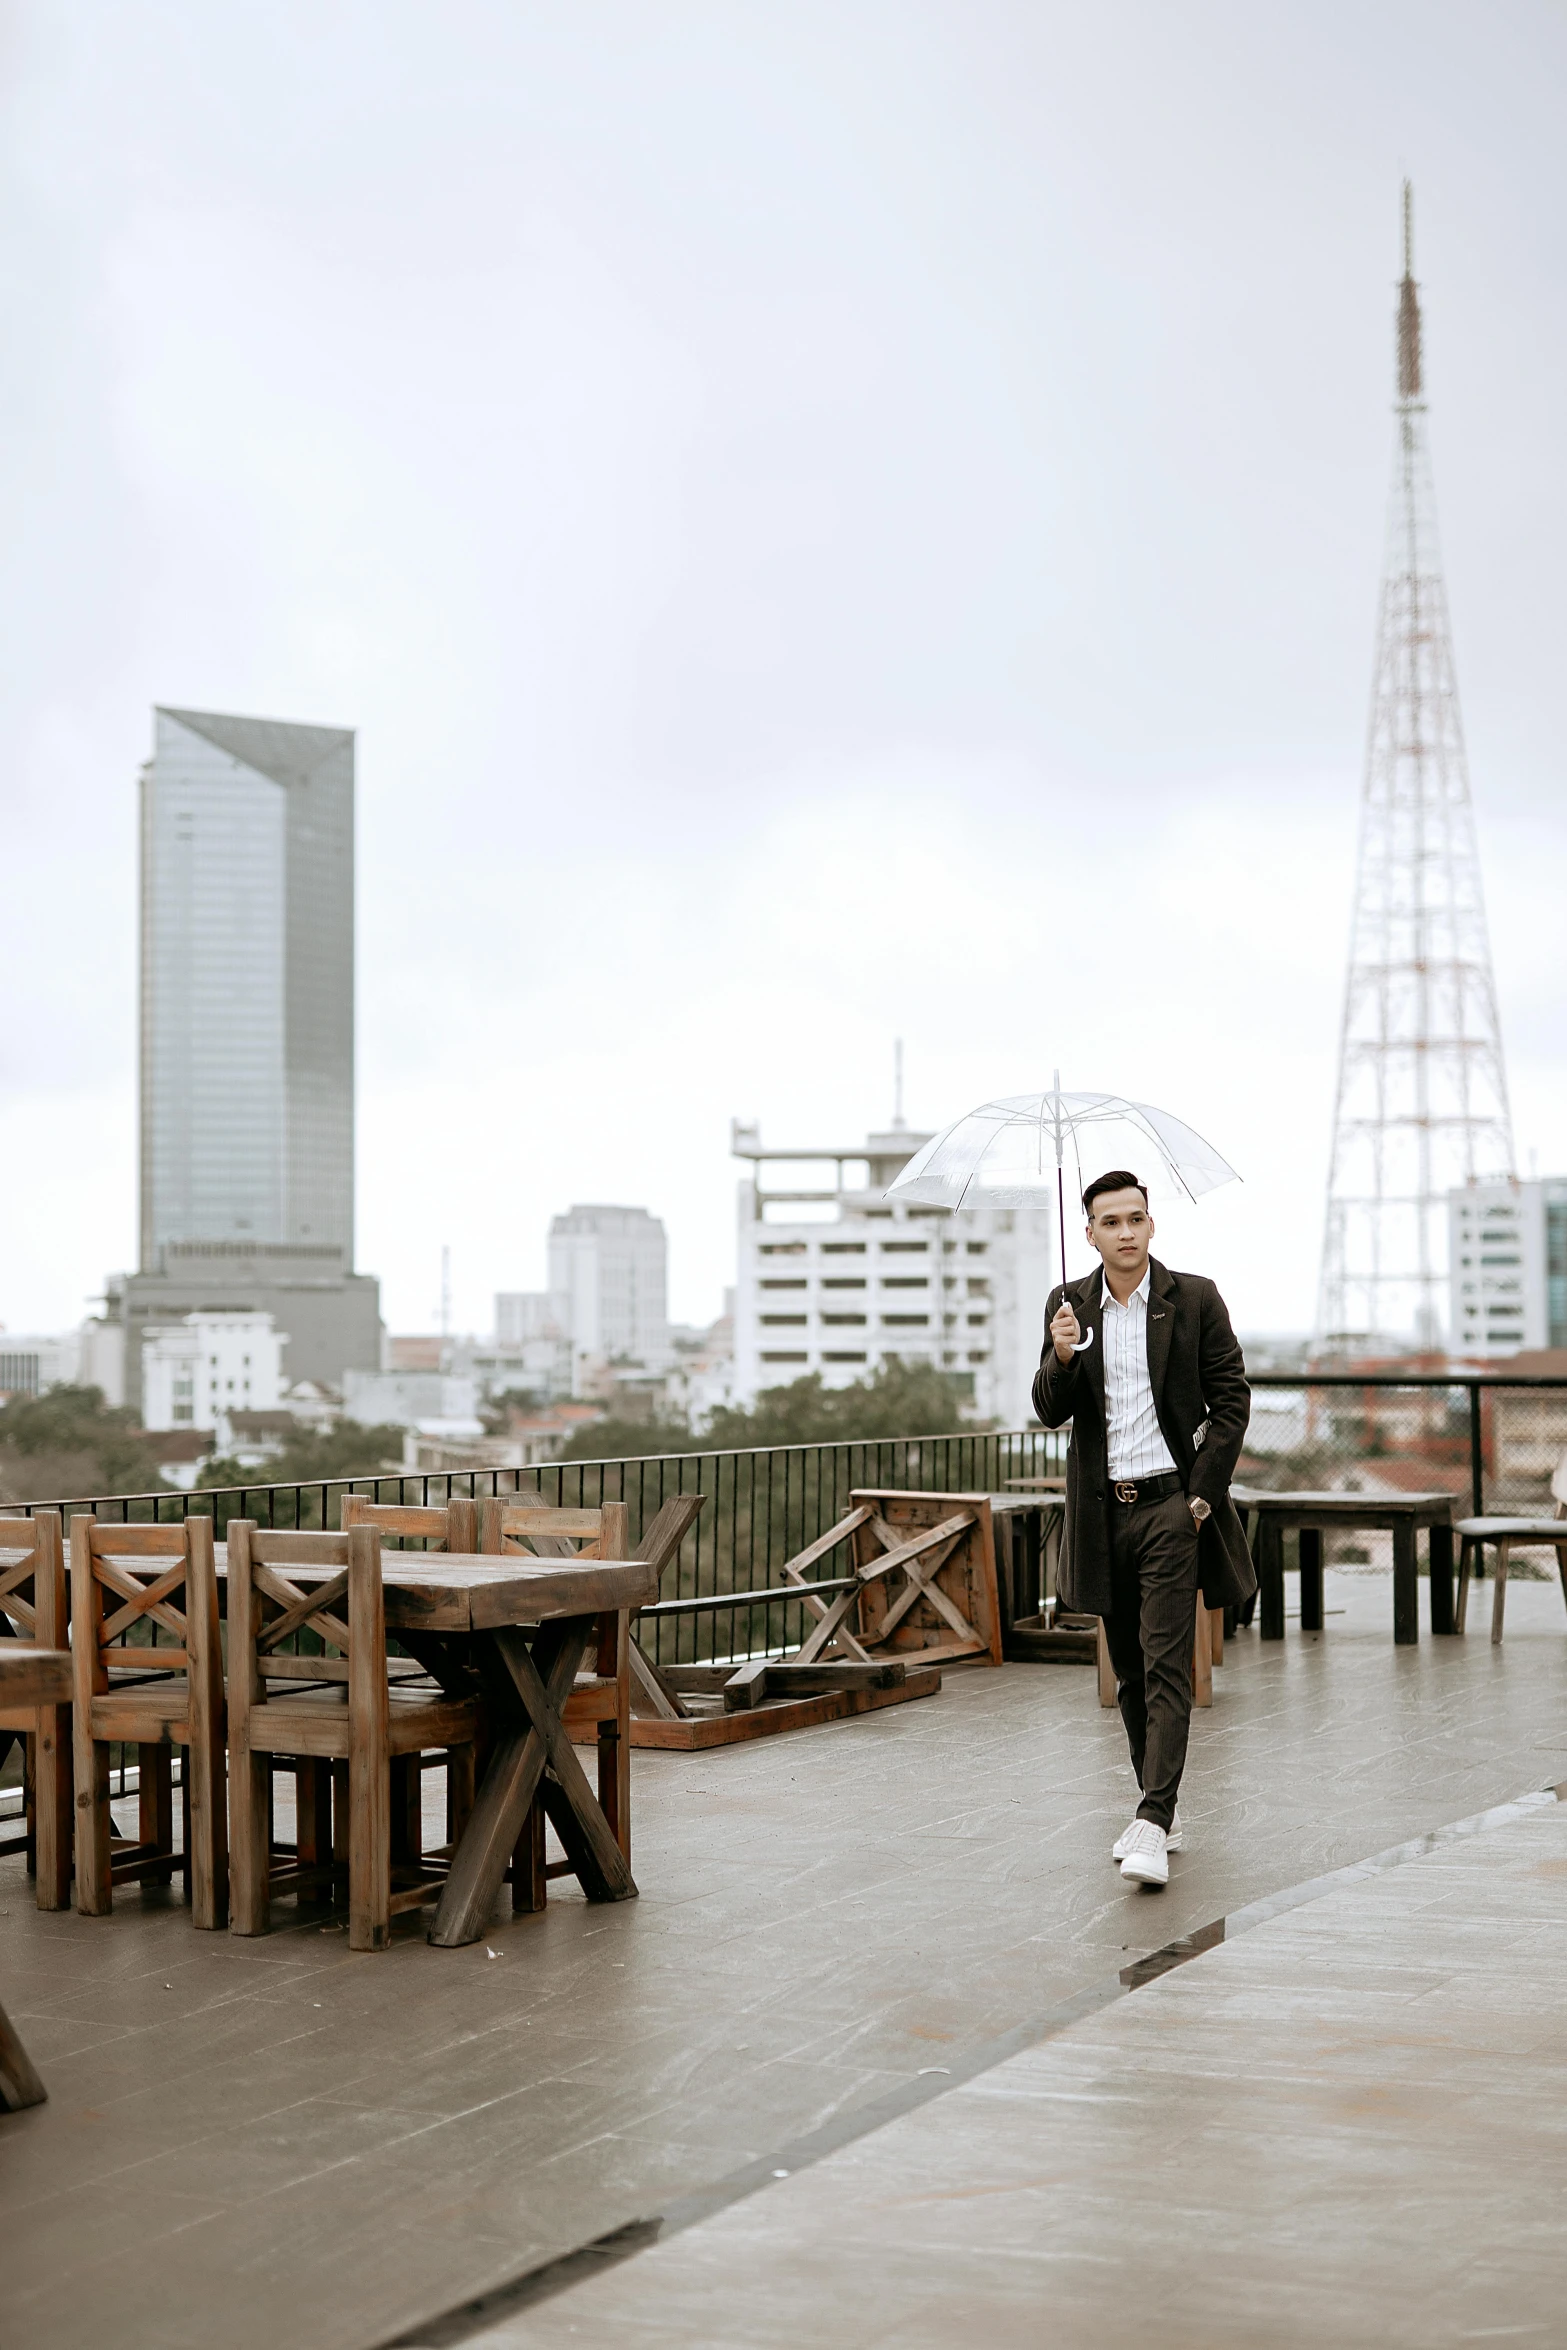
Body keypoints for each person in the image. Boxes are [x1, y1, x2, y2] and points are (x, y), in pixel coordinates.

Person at [1033, 1170, 1254, 1888]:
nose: (1125, 1232)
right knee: (1128, 1672)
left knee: (1167, 1666)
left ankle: (1152, 1821)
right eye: (1110, 1221)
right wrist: (1063, 1355)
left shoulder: (1192, 1299)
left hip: (1169, 1508)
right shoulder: (1066, 1305)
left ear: (1151, 1226)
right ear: (1089, 1233)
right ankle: (1162, 1807)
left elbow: (1230, 1401)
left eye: (1136, 1218)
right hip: (1102, 1513)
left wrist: (1198, 1499)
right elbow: (1048, 1409)